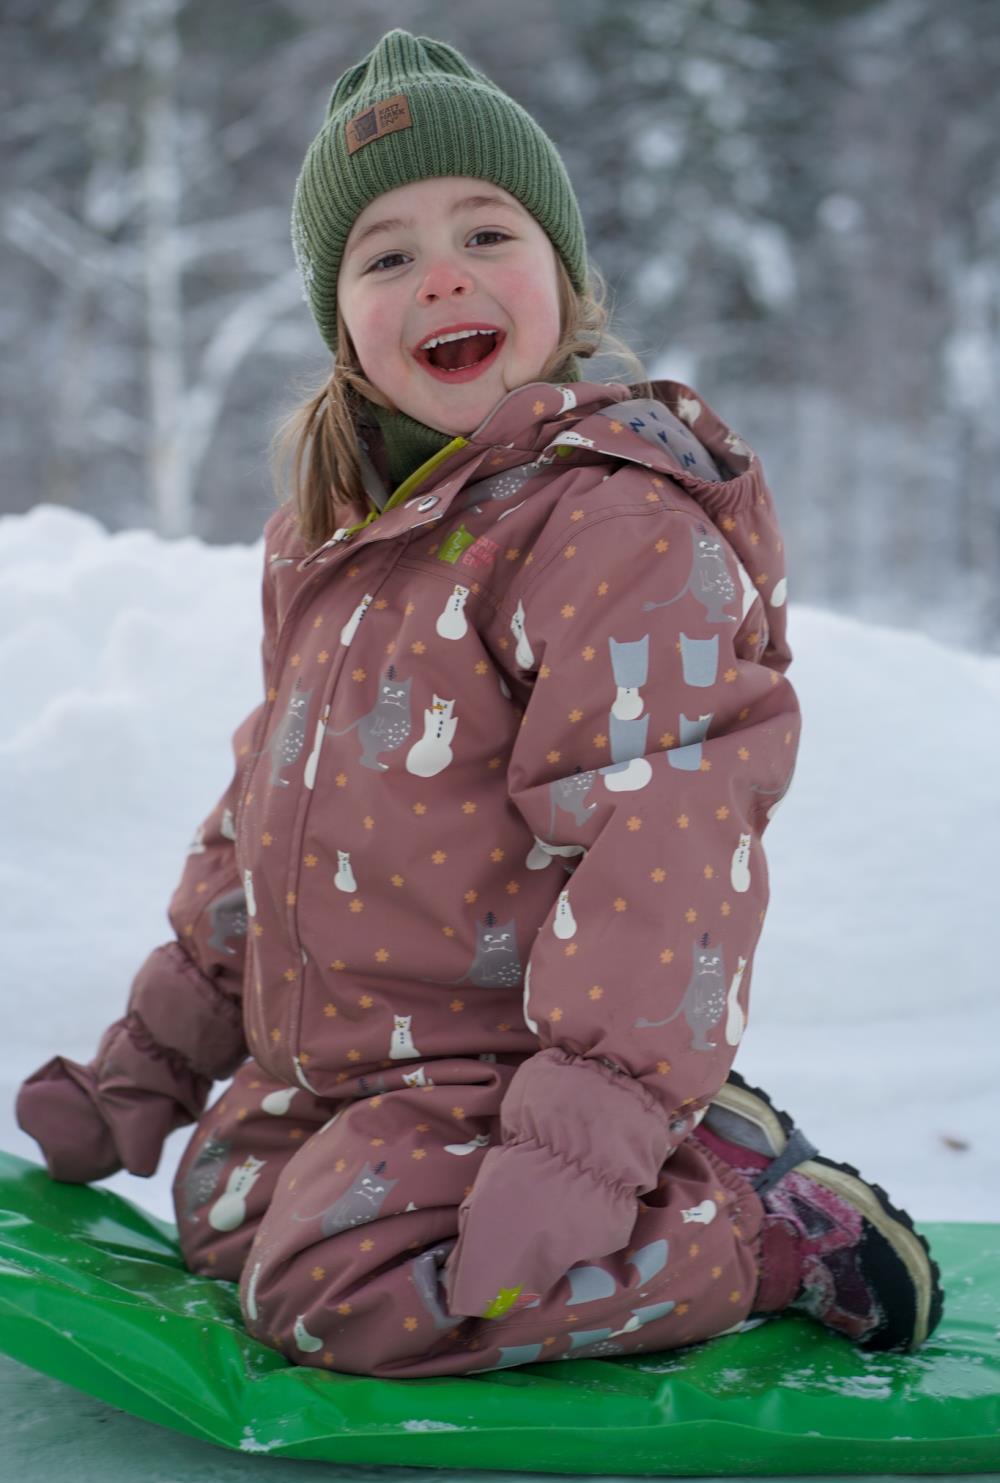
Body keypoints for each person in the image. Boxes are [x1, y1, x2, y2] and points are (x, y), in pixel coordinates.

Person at [15, 28, 942, 1378]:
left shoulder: (610, 528)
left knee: (345, 1296)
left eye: (485, 232)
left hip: (502, 1070)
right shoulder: (327, 546)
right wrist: (146, 1069)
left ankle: (760, 1232)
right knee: (223, 1215)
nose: (439, 271)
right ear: (345, 328)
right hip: (333, 1074)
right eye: (385, 256)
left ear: (565, 283)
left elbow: (662, 853)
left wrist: (575, 1140)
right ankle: (676, 1156)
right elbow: (259, 834)